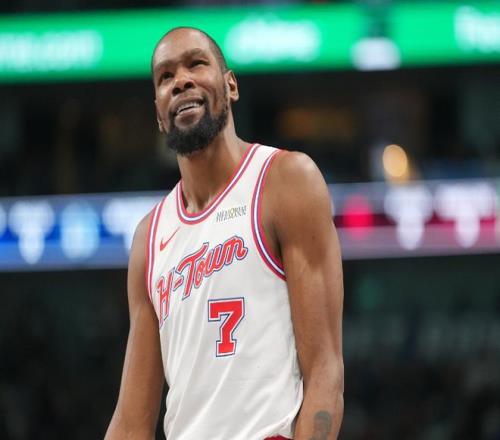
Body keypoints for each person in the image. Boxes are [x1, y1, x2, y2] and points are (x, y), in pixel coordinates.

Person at [105, 27, 344, 440]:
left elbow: (325, 371)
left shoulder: (285, 180)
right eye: (165, 76)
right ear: (159, 115)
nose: (181, 81)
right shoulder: (149, 237)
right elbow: (131, 422)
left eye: (196, 64)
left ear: (230, 85)